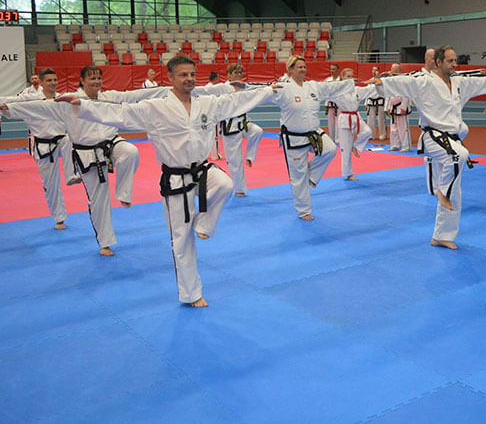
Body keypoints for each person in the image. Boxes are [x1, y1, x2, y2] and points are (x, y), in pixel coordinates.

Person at [60, 55, 281, 307]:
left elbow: (236, 101)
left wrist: (267, 91)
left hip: (202, 170)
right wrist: (84, 105)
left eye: (192, 74)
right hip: (175, 178)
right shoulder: (156, 107)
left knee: (225, 184)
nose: (189, 79)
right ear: (171, 78)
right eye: (183, 75)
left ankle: (204, 223)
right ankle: (191, 293)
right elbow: (121, 112)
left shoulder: (207, 103)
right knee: (182, 238)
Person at [369, 45, 486, 250]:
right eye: (450, 61)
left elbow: (480, 81)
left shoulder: (459, 82)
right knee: (459, 156)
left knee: (456, 191)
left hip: (452, 138)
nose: (454, 64)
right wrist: (382, 82)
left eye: (455, 60)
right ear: (438, 62)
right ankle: (441, 191)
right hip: (433, 135)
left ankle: (441, 235)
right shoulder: (423, 82)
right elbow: (403, 82)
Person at [8, 66, 165, 255]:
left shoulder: (109, 97)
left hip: (110, 143)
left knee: (130, 152)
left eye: (99, 77)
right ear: (82, 81)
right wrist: (9, 108)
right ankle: (105, 243)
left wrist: (169, 91)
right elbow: (38, 107)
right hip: (86, 153)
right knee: (98, 199)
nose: (97, 81)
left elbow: (135, 95)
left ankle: (123, 192)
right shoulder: (69, 101)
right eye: (92, 78)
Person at [271, 56, 354, 219]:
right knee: (298, 177)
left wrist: (350, 82)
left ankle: (312, 176)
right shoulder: (283, 88)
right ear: (291, 69)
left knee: (330, 149)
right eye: (299, 67)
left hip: (313, 132)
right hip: (293, 138)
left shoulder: (313, 86)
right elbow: (261, 93)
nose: (303, 69)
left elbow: (331, 88)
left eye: (304, 67)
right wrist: (244, 88)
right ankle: (304, 211)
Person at [0, 69, 80, 230]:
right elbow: (11, 102)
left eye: (55, 80)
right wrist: (4, 106)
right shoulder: (30, 100)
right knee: (51, 185)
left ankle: (71, 174)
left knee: (70, 139)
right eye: (49, 80)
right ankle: (59, 218)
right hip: (43, 145)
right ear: (41, 82)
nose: (53, 83)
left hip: (61, 140)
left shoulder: (62, 98)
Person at [221, 63, 264, 196]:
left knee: (257, 131)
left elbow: (259, 90)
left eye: (240, 73)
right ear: (229, 75)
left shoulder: (244, 87)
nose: (239, 75)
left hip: (243, 123)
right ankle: (239, 189)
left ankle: (249, 156)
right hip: (230, 127)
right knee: (235, 161)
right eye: (236, 73)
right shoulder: (222, 88)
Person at [335, 68, 377, 180]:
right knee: (345, 149)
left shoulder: (356, 90)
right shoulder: (336, 91)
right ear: (342, 77)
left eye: (351, 76)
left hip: (356, 116)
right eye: (348, 76)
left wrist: (376, 81)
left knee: (368, 131)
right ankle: (348, 174)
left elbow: (371, 90)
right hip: (344, 118)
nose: (350, 78)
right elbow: (324, 92)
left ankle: (356, 146)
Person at [365, 65, 387, 140]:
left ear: (379, 71)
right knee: (370, 120)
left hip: (380, 101)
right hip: (371, 101)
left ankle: (382, 134)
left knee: (381, 119)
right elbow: (367, 92)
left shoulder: (382, 81)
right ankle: (371, 135)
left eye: (376, 70)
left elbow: (385, 92)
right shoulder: (370, 81)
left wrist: (386, 105)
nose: (374, 71)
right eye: (373, 70)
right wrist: (366, 103)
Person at [205, 71, 223, 160]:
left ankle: (209, 153)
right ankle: (216, 155)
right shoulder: (213, 88)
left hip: (207, 114)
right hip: (213, 114)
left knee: (209, 135)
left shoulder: (206, 87)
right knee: (215, 136)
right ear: (215, 78)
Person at [324, 63, 341, 143]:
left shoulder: (341, 80)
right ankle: (331, 138)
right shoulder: (327, 80)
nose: (332, 71)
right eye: (331, 69)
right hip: (330, 104)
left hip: (339, 104)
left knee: (338, 122)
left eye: (333, 69)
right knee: (330, 123)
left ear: (337, 70)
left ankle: (338, 139)